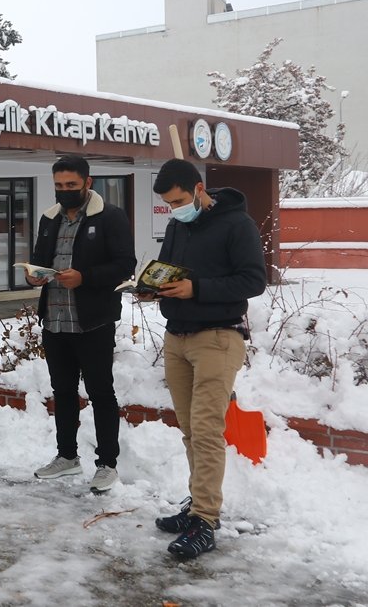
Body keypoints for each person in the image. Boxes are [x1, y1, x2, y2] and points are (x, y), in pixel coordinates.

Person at [143, 159, 266, 559]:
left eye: (178, 200)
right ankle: (196, 505)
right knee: (190, 430)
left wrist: (196, 289)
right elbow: (169, 271)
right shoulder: (180, 224)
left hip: (217, 337)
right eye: (166, 204)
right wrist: (151, 287)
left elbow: (253, 280)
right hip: (176, 337)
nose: (173, 209)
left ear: (198, 189)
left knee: (208, 430)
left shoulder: (236, 224)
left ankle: (206, 521)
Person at [25, 156, 136, 492]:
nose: (64, 191)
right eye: (59, 186)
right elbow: (40, 259)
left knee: (101, 393)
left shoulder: (110, 217)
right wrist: (35, 275)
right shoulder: (49, 219)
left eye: (71, 186)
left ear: (88, 183)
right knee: (63, 391)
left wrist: (85, 278)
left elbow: (124, 264)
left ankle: (107, 464)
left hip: (93, 322)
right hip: (55, 320)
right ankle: (67, 457)